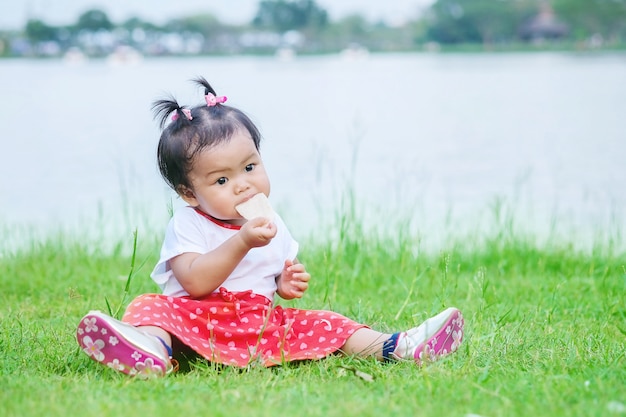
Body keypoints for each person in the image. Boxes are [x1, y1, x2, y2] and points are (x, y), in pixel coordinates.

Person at [76, 77, 464, 378]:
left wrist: (285, 282)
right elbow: (194, 283)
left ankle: (398, 346)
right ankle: (151, 351)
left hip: (258, 325)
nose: (243, 184)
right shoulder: (188, 223)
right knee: (148, 306)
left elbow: (273, 278)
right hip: (196, 323)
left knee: (327, 322)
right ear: (189, 193)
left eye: (249, 167)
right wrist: (242, 241)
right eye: (221, 180)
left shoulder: (271, 222)